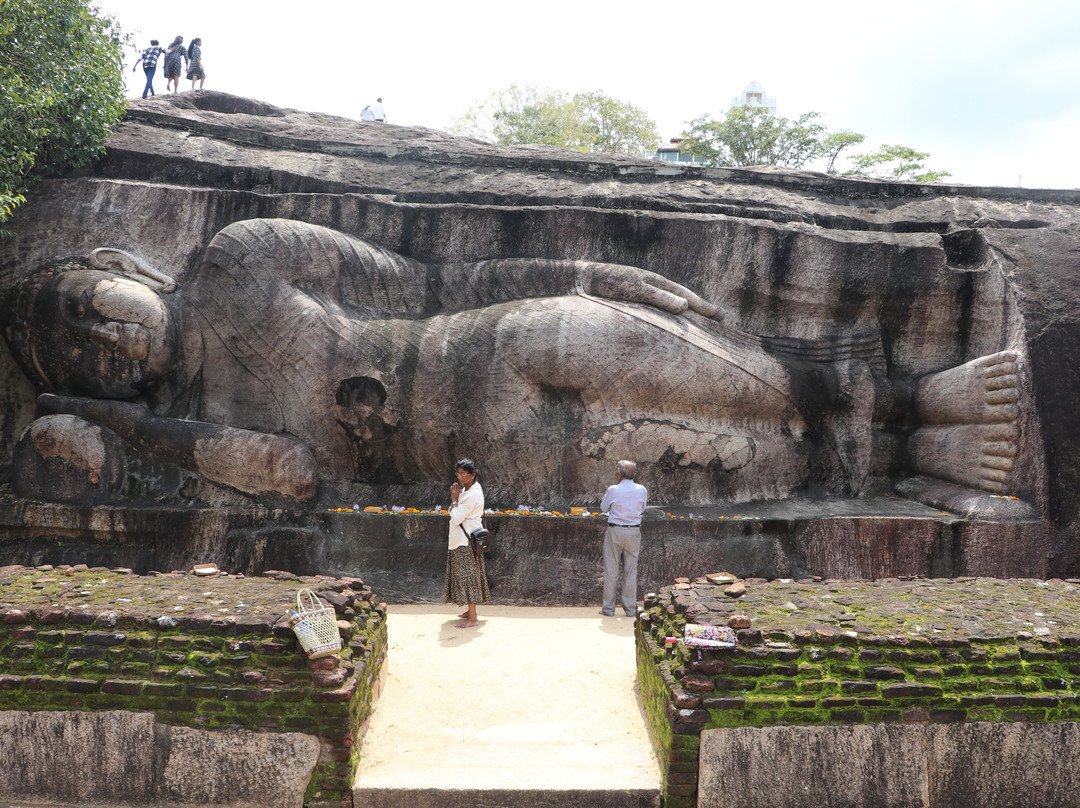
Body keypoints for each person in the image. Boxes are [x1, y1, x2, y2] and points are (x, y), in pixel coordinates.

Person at [6, 219, 1022, 509]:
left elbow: (425, 279)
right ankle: (911, 463)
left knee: (726, 373)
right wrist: (135, 428)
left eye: (93, 311)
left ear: (116, 267)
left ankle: (912, 397)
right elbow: (292, 474)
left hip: (493, 336)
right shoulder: (191, 418)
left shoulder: (239, 256)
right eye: (83, 358)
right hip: (483, 453)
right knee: (718, 455)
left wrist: (590, 267)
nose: (109, 342)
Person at [599, 460, 648, 617]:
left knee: (611, 570)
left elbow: (603, 508)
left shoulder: (613, 489)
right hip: (633, 531)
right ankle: (629, 609)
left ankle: (608, 609)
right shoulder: (642, 489)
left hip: (615, 531)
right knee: (631, 571)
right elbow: (643, 508)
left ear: (619, 474)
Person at [445, 458, 489, 628]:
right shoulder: (467, 490)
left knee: (468, 578)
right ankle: (469, 612)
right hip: (461, 541)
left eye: (463, 474)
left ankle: (473, 617)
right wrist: (455, 502)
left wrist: (455, 500)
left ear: (473, 475)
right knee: (465, 577)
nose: (460, 477)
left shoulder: (473, 494)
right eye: (458, 473)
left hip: (466, 542)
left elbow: (455, 517)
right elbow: (452, 511)